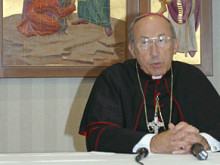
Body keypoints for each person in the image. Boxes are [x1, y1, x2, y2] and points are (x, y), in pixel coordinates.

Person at [79, 13, 220, 154]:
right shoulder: (113, 78)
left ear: (175, 45)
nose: (154, 52)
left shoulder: (192, 77)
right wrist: (153, 143)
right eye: (145, 42)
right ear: (132, 50)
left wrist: (204, 141)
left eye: (162, 40)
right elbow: (98, 136)